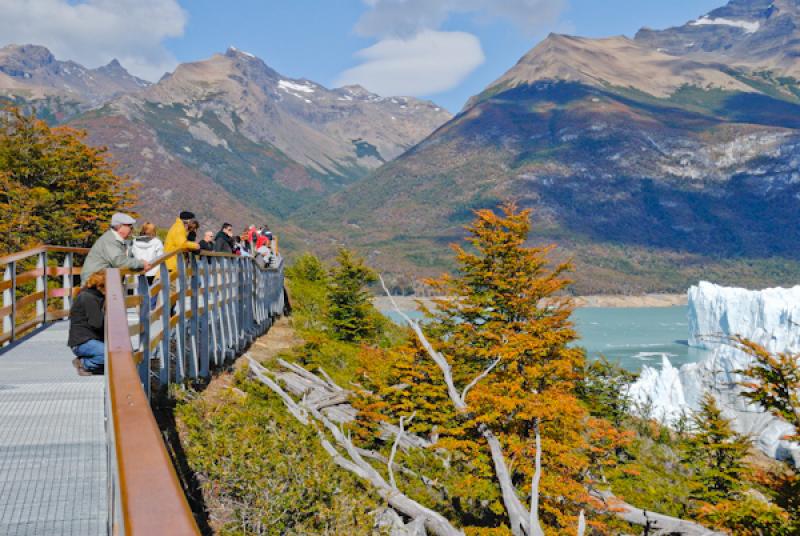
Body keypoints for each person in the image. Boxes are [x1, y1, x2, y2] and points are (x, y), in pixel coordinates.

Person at [80, 212, 150, 285]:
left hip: (101, 280)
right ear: (119, 227)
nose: (131, 229)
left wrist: (140, 266)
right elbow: (120, 262)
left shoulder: (114, 239)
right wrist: (141, 264)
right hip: (93, 283)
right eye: (130, 226)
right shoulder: (110, 240)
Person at [68, 271, 107, 376]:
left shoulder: (91, 295)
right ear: (100, 286)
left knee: (113, 354)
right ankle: (84, 363)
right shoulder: (88, 298)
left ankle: (91, 361)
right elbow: (97, 324)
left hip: (89, 339)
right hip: (82, 342)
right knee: (107, 355)